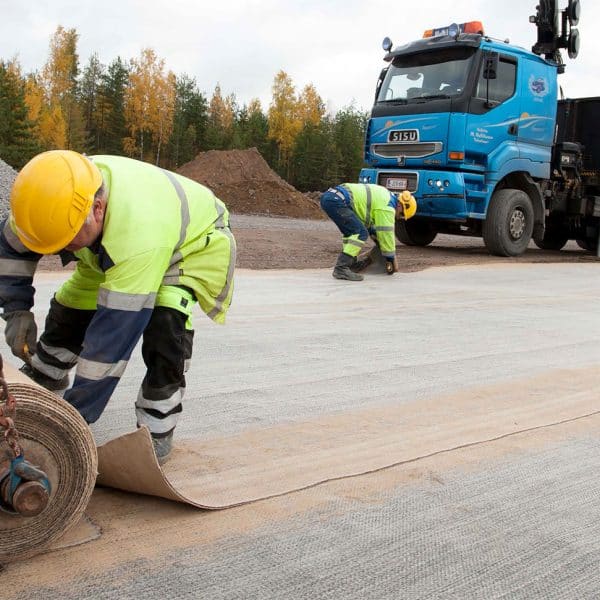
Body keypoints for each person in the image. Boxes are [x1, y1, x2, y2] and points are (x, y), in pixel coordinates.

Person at [0, 150, 236, 464]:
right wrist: (16, 310)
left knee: (165, 324)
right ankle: (48, 372)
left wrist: (71, 422)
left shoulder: (137, 234)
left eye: (66, 240)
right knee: (73, 304)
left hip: (189, 245)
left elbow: (112, 341)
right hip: (113, 242)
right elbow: (12, 253)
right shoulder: (47, 201)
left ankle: (157, 424)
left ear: (97, 209)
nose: (59, 250)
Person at [320, 183, 417, 281]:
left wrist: (376, 239)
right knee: (360, 233)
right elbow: (386, 233)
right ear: (400, 205)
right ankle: (341, 268)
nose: (399, 217)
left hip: (332, 197)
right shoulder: (388, 207)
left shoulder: (385, 197)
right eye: (401, 214)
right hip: (337, 201)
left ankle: (349, 264)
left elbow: (371, 226)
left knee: (351, 233)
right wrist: (390, 258)